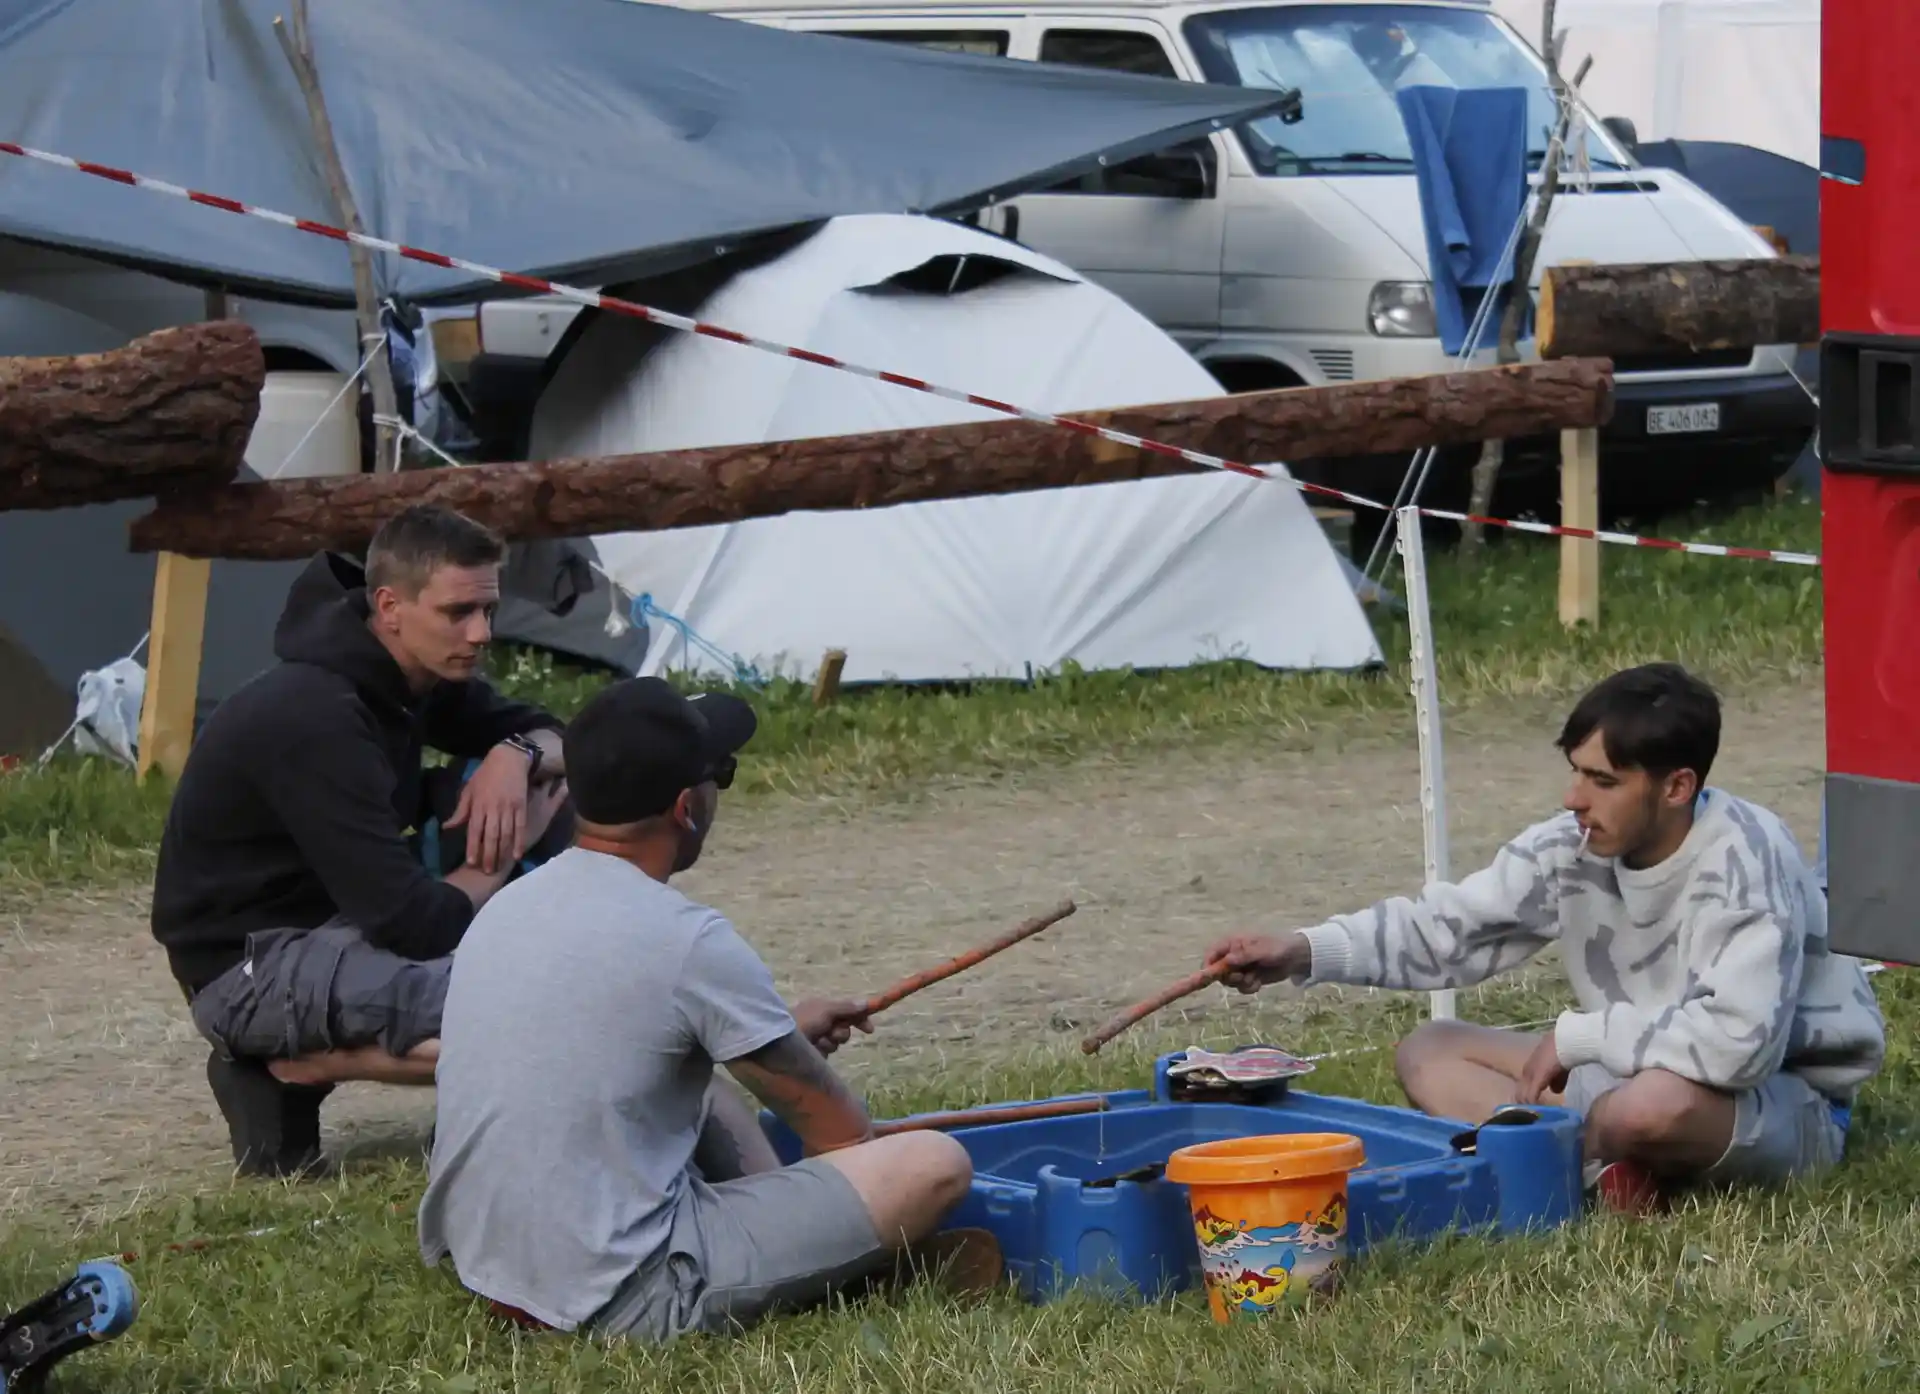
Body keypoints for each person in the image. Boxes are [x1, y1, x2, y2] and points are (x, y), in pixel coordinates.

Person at [418, 677, 991, 1342]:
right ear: (686, 808)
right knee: (933, 1163)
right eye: (724, 773)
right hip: (620, 1293)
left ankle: (794, 1247)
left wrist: (775, 1035)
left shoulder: (512, 904)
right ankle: (838, 1270)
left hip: (494, 1267)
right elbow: (841, 1136)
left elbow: (614, 1032)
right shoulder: (688, 939)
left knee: (709, 1084)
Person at [1203, 663, 1885, 1211]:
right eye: (1575, 771)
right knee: (1429, 1050)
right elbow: (1449, 929)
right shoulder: (1575, 843)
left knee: (1652, 1105)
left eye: (1602, 780)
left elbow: (1738, 1049)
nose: (1573, 799)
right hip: (1623, 1076)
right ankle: (1599, 1174)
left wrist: (1582, 1039)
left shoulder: (1746, 859)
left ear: (1678, 786)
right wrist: (1300, 950)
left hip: (1777, 1105)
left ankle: (1566, 1174)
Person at [150, 504, 574, 1179]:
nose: (480, 633)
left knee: (558, 804)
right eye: (459, 612)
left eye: (488, 611)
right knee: (512, 1003)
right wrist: (492, 859)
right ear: (390, 606)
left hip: (343, 916)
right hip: (248, 966)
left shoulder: (415, 675)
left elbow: (559, 737)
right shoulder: (316, 716)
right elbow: (414, 924)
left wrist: (516, 754)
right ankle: (288, 1067)